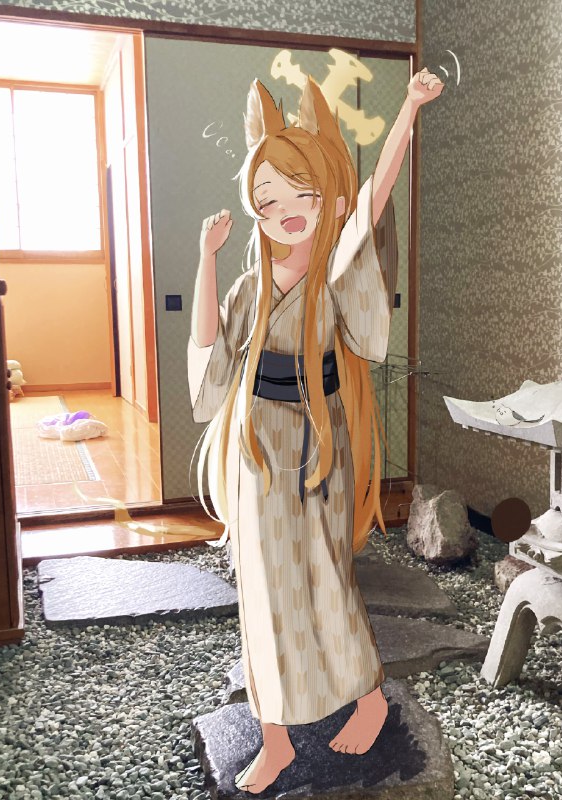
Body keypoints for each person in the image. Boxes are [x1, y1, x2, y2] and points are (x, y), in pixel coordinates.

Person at [187, 67, 443, 794]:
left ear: (328, 198)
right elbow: (210, 359)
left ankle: (365, 696)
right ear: (255, 209)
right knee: (264, 585)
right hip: (259, 444)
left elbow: (376, 198)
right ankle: (276, 737)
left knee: (327, 574)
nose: (286, 211)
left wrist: (409, 110)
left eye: (301, 195)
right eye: (269, 199)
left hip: (322, 438)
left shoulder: (335, 271)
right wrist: (205, 260)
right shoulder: (249, 288)